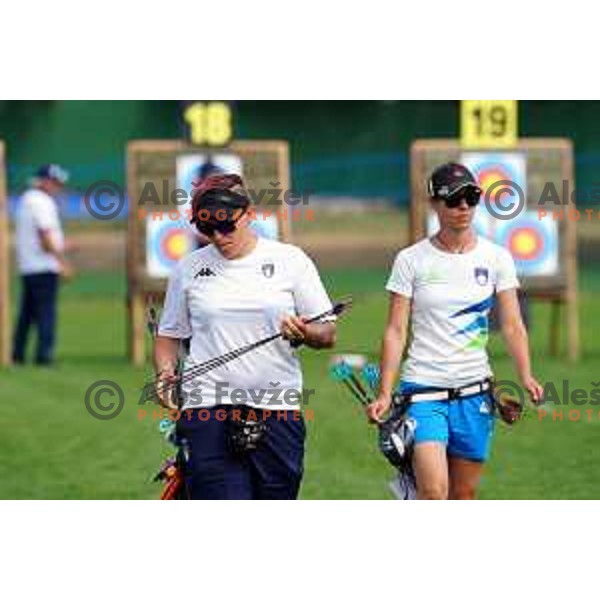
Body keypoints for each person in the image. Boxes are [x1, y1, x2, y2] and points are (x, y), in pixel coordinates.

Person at [367, 162, 544, 500]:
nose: (464, 207)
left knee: (462, 496)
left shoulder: (497, 257)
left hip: (475, 392)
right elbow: (395, 330)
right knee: (434, 492)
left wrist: (526, 375)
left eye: (471, 197)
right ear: (435, 203)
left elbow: (511, 324)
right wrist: (385, 393)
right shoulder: (411, 259)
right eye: (454, 199)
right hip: (423, 391)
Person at [153, 174, 336, 499]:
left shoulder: (291, 260)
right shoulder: (188, 269)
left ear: (249, 214)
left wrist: (306, 332)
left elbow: (327, 332)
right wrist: (165, 374)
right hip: (207, 405)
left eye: (226, 225)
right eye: (207, 229)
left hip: (277, 406)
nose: (218, 236)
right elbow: (169, 335)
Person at [12, 164, 74, 365]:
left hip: (28, 266)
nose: (58, 187)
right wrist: (62, 262)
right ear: (45, 181)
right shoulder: (42, 202)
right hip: (44, 266)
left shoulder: (26, 199)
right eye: (56, 182)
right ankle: (44, 356)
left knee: (27, 314)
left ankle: (17, 354)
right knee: (46, 313)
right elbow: (45, 236)